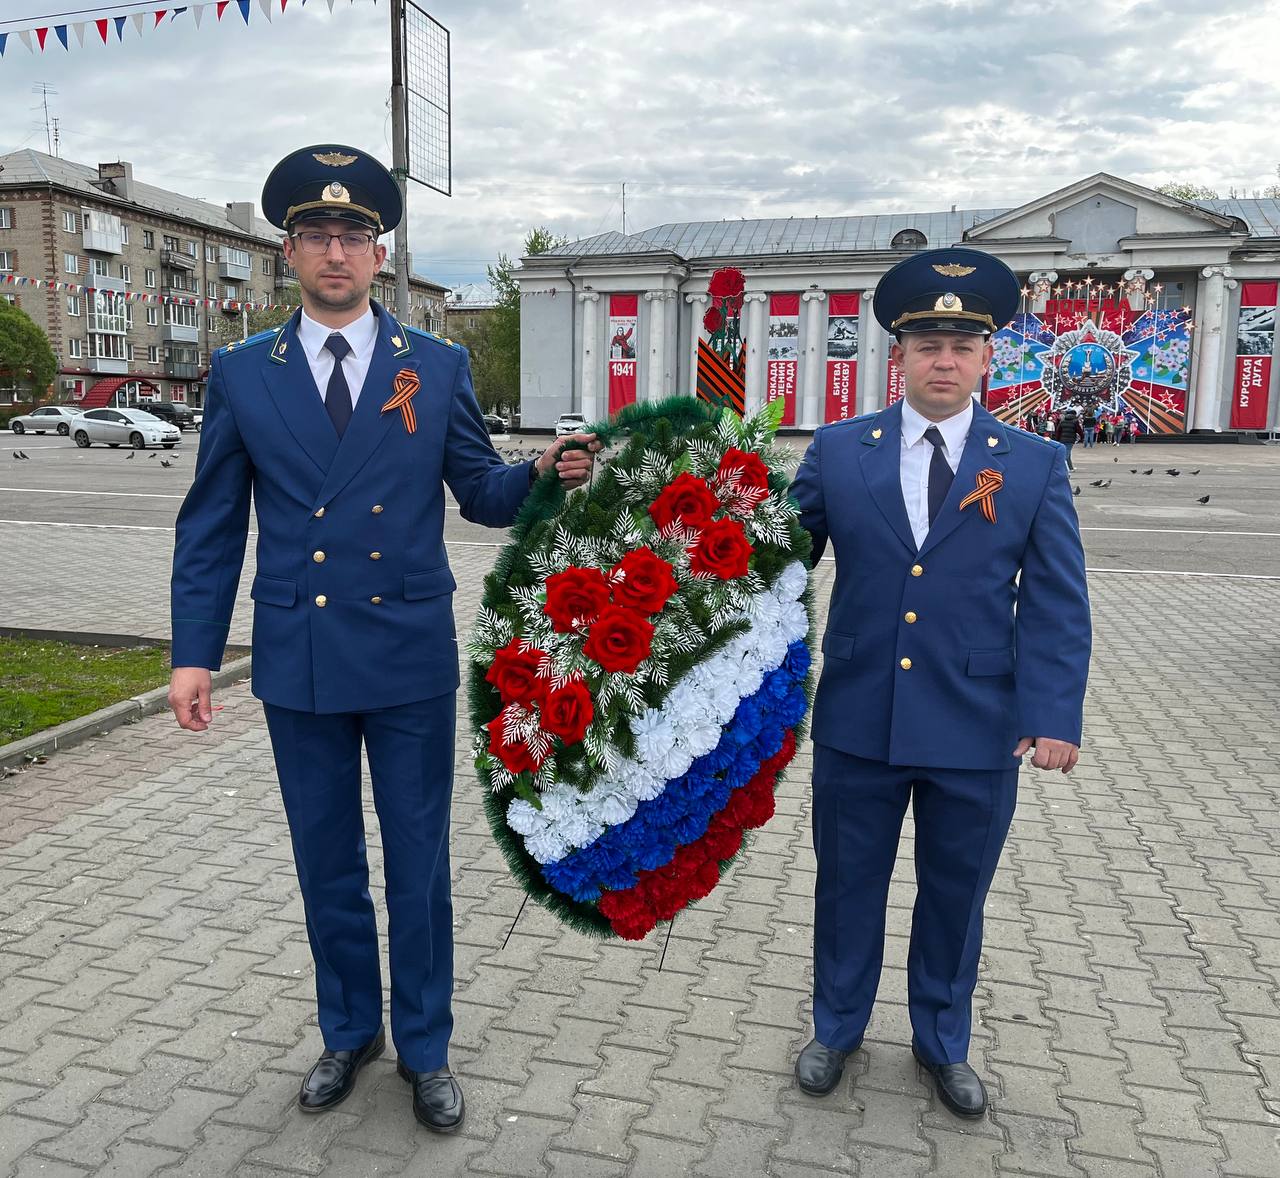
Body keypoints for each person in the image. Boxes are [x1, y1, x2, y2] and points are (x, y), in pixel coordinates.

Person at [167, 145, 599, 1133]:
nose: (335, 252)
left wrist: (539, 474)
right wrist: (194, 654)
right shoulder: (243, 372)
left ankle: (427, 1047)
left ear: (380, 253)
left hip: (405, 653)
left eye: (352, 236)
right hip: (300, 655)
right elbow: (212, 525)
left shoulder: (433, 366)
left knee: (418, 863)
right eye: (316, 235)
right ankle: (348, 1030)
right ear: (287, 252)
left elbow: (479, 493)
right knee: (326, 862)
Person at [789, 246, 1091, 1119]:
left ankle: (942, 1041)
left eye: (962, 346)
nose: (945, 361)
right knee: (847, 886)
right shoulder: (839, 451)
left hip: (978, 724)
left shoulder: (1033, 462)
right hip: (860, 716)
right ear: (901, 356)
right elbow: (779, 558)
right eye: (928, 346)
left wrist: (1053, 714)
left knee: (956, 896)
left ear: (988, 357)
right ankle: (837, 1028)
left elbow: (1057, 600)